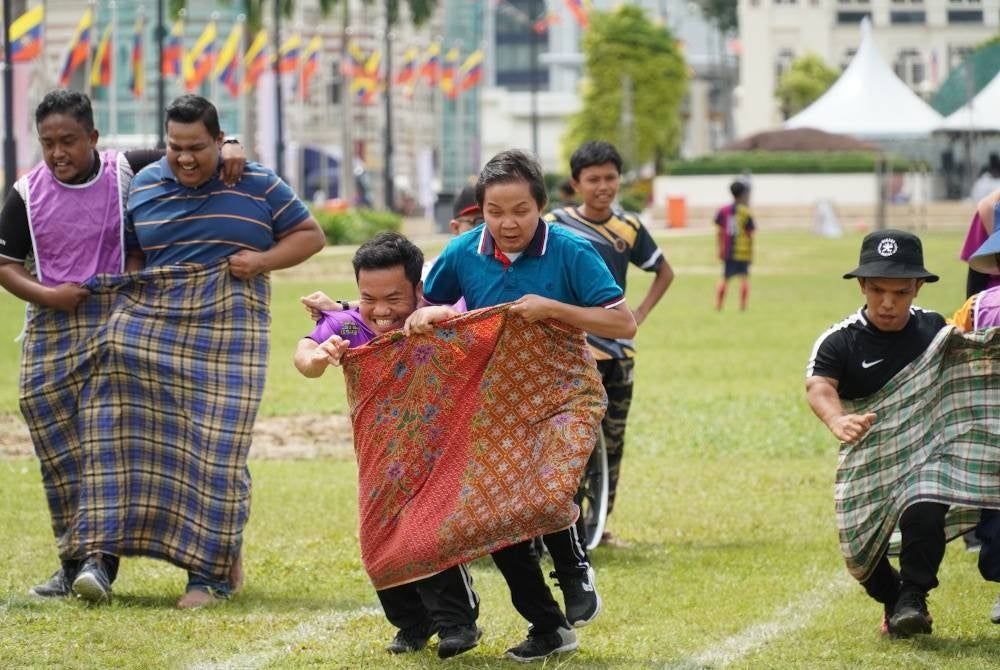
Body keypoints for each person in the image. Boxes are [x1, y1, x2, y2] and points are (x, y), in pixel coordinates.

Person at [0, 90, 245, 601]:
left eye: (68, 140)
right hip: (52, 325)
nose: (58, 153)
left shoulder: (126, 169)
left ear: (93, 137)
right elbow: (3, 263)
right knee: (57, 445)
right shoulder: (25, 193)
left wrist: (233, 145)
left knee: (106, 443)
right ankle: (71, 563)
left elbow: (189, 154)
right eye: (48, 143)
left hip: (122, 323)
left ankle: (100, 561)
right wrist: (49, 295)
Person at [405, 148, 637, 661]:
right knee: (499, 516)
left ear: (542, 206)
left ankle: (575, 570)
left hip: (565, 393)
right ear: (480, 210)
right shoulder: (463, 252)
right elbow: (426, 305)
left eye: (520, 211)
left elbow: (624, 324)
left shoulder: (573, 250)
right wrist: (432, 312)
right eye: (495, 212)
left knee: (551, 490)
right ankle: (549, 627)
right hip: (496, 402)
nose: (508, 223)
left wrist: (553, 308)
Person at [99, 94, 324, 609]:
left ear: (220, 141)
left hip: (231, 331)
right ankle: (212, 555)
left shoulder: (254, 180)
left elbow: (311, 235)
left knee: (220, 450)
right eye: (175, 147)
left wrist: (264, 260)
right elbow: (135, 253)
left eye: (197, 147)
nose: (184, 158)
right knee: (166, 451)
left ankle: (209, 577)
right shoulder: (145, 185)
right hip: (159, 334)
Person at [293, 232, 481, 659]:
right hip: (379, 460)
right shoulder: (347, 326)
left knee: (427, 531)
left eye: (393, 298)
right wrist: (318, 358)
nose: (380, 312)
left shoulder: (438, 317)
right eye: (367, 298)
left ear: (418, 289)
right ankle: (412, 624)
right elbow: (304, 355)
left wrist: (438, 314)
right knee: (377, 538)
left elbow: (473, 317)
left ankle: (457, 623)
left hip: (438, 453)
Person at [805, 229, 950, 637]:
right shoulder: (840, 340)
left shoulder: (936, 330)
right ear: (863, 285)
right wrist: (837, 420)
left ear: (918, 287)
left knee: (925, 506)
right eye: (878, 290)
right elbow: (819, 387)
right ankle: (895, 598)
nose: (888, 303)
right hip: (867, 459)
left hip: (925, 455)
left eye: (901, 292)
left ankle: (914, 597)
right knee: (858, 555)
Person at [544, 140, 674, 547]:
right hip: (567, 353)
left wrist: (639, 315)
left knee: (612, 440)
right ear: (576, 183)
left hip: (616, 355)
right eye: (593, 179)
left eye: (610, 178)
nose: (603, 187)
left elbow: (664, 273)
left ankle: (600, 522)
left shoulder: (629, 228)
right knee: (563, 440)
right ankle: (559, 525)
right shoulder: (554, 225)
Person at [714, 179, 755, 311]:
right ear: (743, 194)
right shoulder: (746, 212)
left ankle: (719, 305)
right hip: (742, 252)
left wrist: (719, 249)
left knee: (725, 279)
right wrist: (750, 252)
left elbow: (719, 232)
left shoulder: (723, 210)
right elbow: (750, 233)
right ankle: (743, 306)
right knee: (744, 279)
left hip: (728, 251)